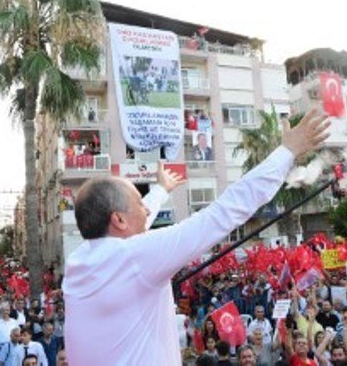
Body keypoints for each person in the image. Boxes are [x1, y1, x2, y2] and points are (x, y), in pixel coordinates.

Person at [63, 110, 330, 365]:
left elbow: (136, 223)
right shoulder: (134, 257)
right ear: (119, 219)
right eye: (139, 204)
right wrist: (287, 152)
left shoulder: (78, 264)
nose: (146, 210)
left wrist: (160, 191)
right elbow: (222, 213)